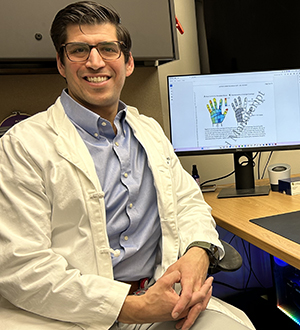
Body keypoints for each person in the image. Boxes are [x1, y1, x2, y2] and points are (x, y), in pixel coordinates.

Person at [0, 2, 255, 330]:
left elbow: (188, 202)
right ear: (62, 64)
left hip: (162, 298)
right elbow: (20, 265)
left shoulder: (148, 130)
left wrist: (199, 250)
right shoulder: (22, 145)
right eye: (79, 50)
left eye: (108, 49)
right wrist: (130, 307)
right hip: (70, 315)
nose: (95, 61)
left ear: (128, 61)